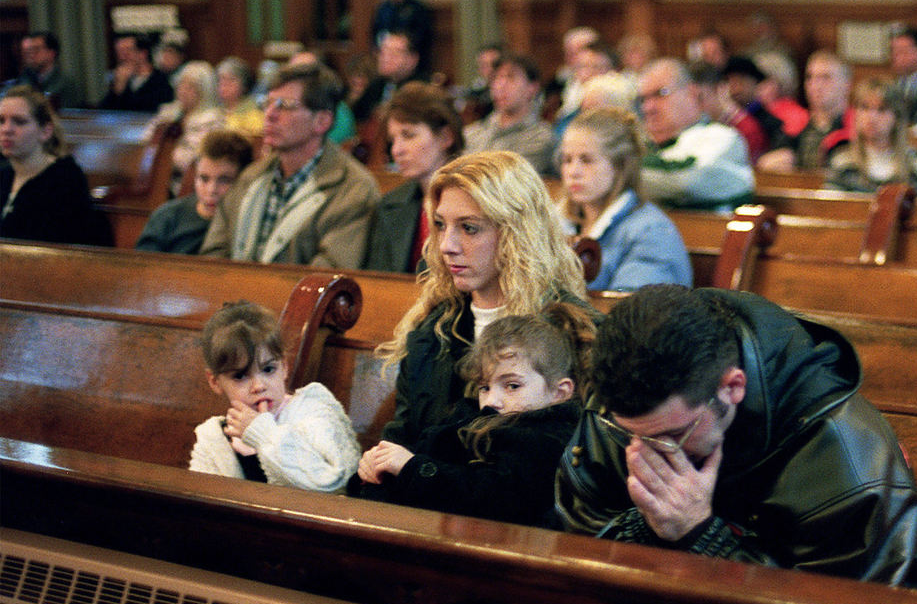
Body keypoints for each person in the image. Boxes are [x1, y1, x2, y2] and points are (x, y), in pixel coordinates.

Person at [555, 284, 917, 592]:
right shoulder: (621, 405)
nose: (647, 453)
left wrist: (703, 537)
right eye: (630, 435)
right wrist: (647, 526)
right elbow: (571, 541)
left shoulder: (845, 452)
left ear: (732, 388)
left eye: (674, 436)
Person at [371, 150, 590, 452]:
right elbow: (401, 439)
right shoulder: (433, 330)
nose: (447, 246)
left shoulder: (571, 332)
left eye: (469, 228)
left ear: (517, 232)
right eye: (440, 225)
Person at [350, 303, 597, 527]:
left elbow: (493, 498)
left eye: (512, 386)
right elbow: (423, 456)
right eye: (484, 387)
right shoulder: (468, 419)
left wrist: (411, 467)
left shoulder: (549, 439)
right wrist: (375, 473)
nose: (492, 400)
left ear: (560, 392)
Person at [200, 62, 379, 268]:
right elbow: (212, 260)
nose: (269, 115)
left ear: (321, 121)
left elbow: (326, 279)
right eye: (267, 104)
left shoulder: (354, 189)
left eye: (284, 106)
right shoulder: (251, 176)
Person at [189, 300, 360, 492]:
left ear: (284, 367)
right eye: (240, 376)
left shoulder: (313, 412)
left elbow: (337, 485)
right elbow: (199, 503)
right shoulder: (215, 437)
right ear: (215, 382)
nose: (259, 386)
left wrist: (262, 433)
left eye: (268, 369)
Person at [559, 107, 692, 292]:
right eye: (567, 160)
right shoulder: (557, 222)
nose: (573, 172)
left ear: (620, 166)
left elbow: (632, 314)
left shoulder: (651, 232)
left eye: (587, 160)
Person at [363, 81, 463, 273]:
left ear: (445, 137)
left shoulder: (477, 202)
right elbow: (379, 281)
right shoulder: (390, 204)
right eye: (393, 140)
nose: (396, 150)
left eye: (408, 135)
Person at [0, 85, 112, 246]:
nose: (6, 129)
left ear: (45, 131)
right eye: (1, 121)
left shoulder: (64, 179)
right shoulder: (4, 174)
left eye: (19, 122)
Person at [637, 58, 754, 210]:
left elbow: (687, 182)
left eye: (661, 94)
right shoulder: (642, 143)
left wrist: (619, 172)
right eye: (643, 99)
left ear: (692, 94)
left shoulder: (720, 137)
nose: (648, 107)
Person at [136, 130, 255, 254]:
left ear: (243, 181)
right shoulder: (167, 216)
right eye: (204, 178)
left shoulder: (249, 224)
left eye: (224, 180)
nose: (211, 190)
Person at [824, 78, 917, 196]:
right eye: (864, 108)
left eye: (881, 109)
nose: (871, 117)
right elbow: (831, 210)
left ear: (896, 116)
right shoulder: (842, 162)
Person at [758, 50, 853, 171]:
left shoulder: (859, 127)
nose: (815, 85)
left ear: (846, 84)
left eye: (825, 77)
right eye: (810, 77)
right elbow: (768, 161)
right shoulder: (793, 127)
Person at [141, 60, 226, 196]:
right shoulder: (168, 112)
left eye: (191, 87)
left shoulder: (213, 120)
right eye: (181, 84)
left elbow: (195, 159)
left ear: (204, 91)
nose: (183, 91)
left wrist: (163, 157)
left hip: (186, 186)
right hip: (154, 179)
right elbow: (146, 140)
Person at [463, 53, 555, 176]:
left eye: (510, 78)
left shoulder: (541, 137)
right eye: (495, 78)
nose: (499, 85)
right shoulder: (471, 133)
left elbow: (508, 181)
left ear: (532, 87)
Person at [370, 0, 435, 77]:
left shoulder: (417, 7)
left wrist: (401, 48)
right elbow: (375, 30)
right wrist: (379, 49)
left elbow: (424, 34)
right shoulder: (384, 7)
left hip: (412, 60)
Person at [100, 33, 174, 112]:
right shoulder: (122, 80)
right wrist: (118, 89)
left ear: (143, 54)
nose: (122, 57)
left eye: (127, 51)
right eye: (119, 52)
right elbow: (104, 111)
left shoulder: (160, 81)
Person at [14, 31, 83, 109]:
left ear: (51, 53)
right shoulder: (21, 80)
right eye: (26, 52)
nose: (30, 55)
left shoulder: (65, 82)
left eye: (35, 50)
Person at [217, 57, 264, 136]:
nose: (224, 84)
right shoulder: (217, 110)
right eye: (221, 79)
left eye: (231, 80)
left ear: (244, 85)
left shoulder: (254, 115)